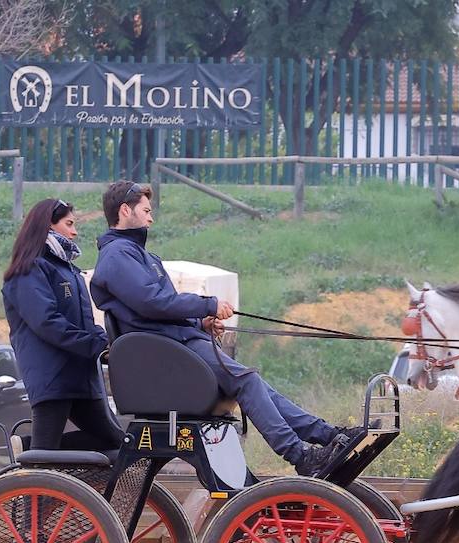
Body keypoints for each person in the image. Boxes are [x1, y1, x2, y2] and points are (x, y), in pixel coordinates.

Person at [88, 180, 360, 476]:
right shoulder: (118, 256)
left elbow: (160, 308)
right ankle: (300, 456)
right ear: (125, 211)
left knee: (254, 383)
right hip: (166, 353)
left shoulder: (140, 255)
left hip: (176, 343)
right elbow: (153, 303)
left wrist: (200, 322)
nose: (151, 217)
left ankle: (328, 435)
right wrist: (207, 305)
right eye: (146, 210)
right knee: (247, 382)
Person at [2, 198, 125, 451]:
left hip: (81, 378)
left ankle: (28, 449)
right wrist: (96, 345)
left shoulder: (69, 271)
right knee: (45, 455)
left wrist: (107, 345)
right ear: (48, 225)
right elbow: (47, 323)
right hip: (53, 377)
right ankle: (33, 467)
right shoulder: (29, 271)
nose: (75, 231)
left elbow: (86, 323)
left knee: (115, 442)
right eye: (69, 224)